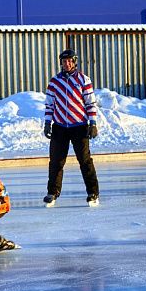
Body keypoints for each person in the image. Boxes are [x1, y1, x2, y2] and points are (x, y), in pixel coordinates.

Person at [42, 49, 100, 207]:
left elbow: (90, 103)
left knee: (85, 160)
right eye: (64, 61)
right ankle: (52, 192)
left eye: (69, 61)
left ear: (74, 62)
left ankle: (92, 193)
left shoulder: (83, 79)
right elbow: (49, 104)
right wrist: (48, 123)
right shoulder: (54, 82)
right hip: (60, 127)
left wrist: (92, 123)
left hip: (79, 126)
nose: (66, 64)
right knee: (56, 161)